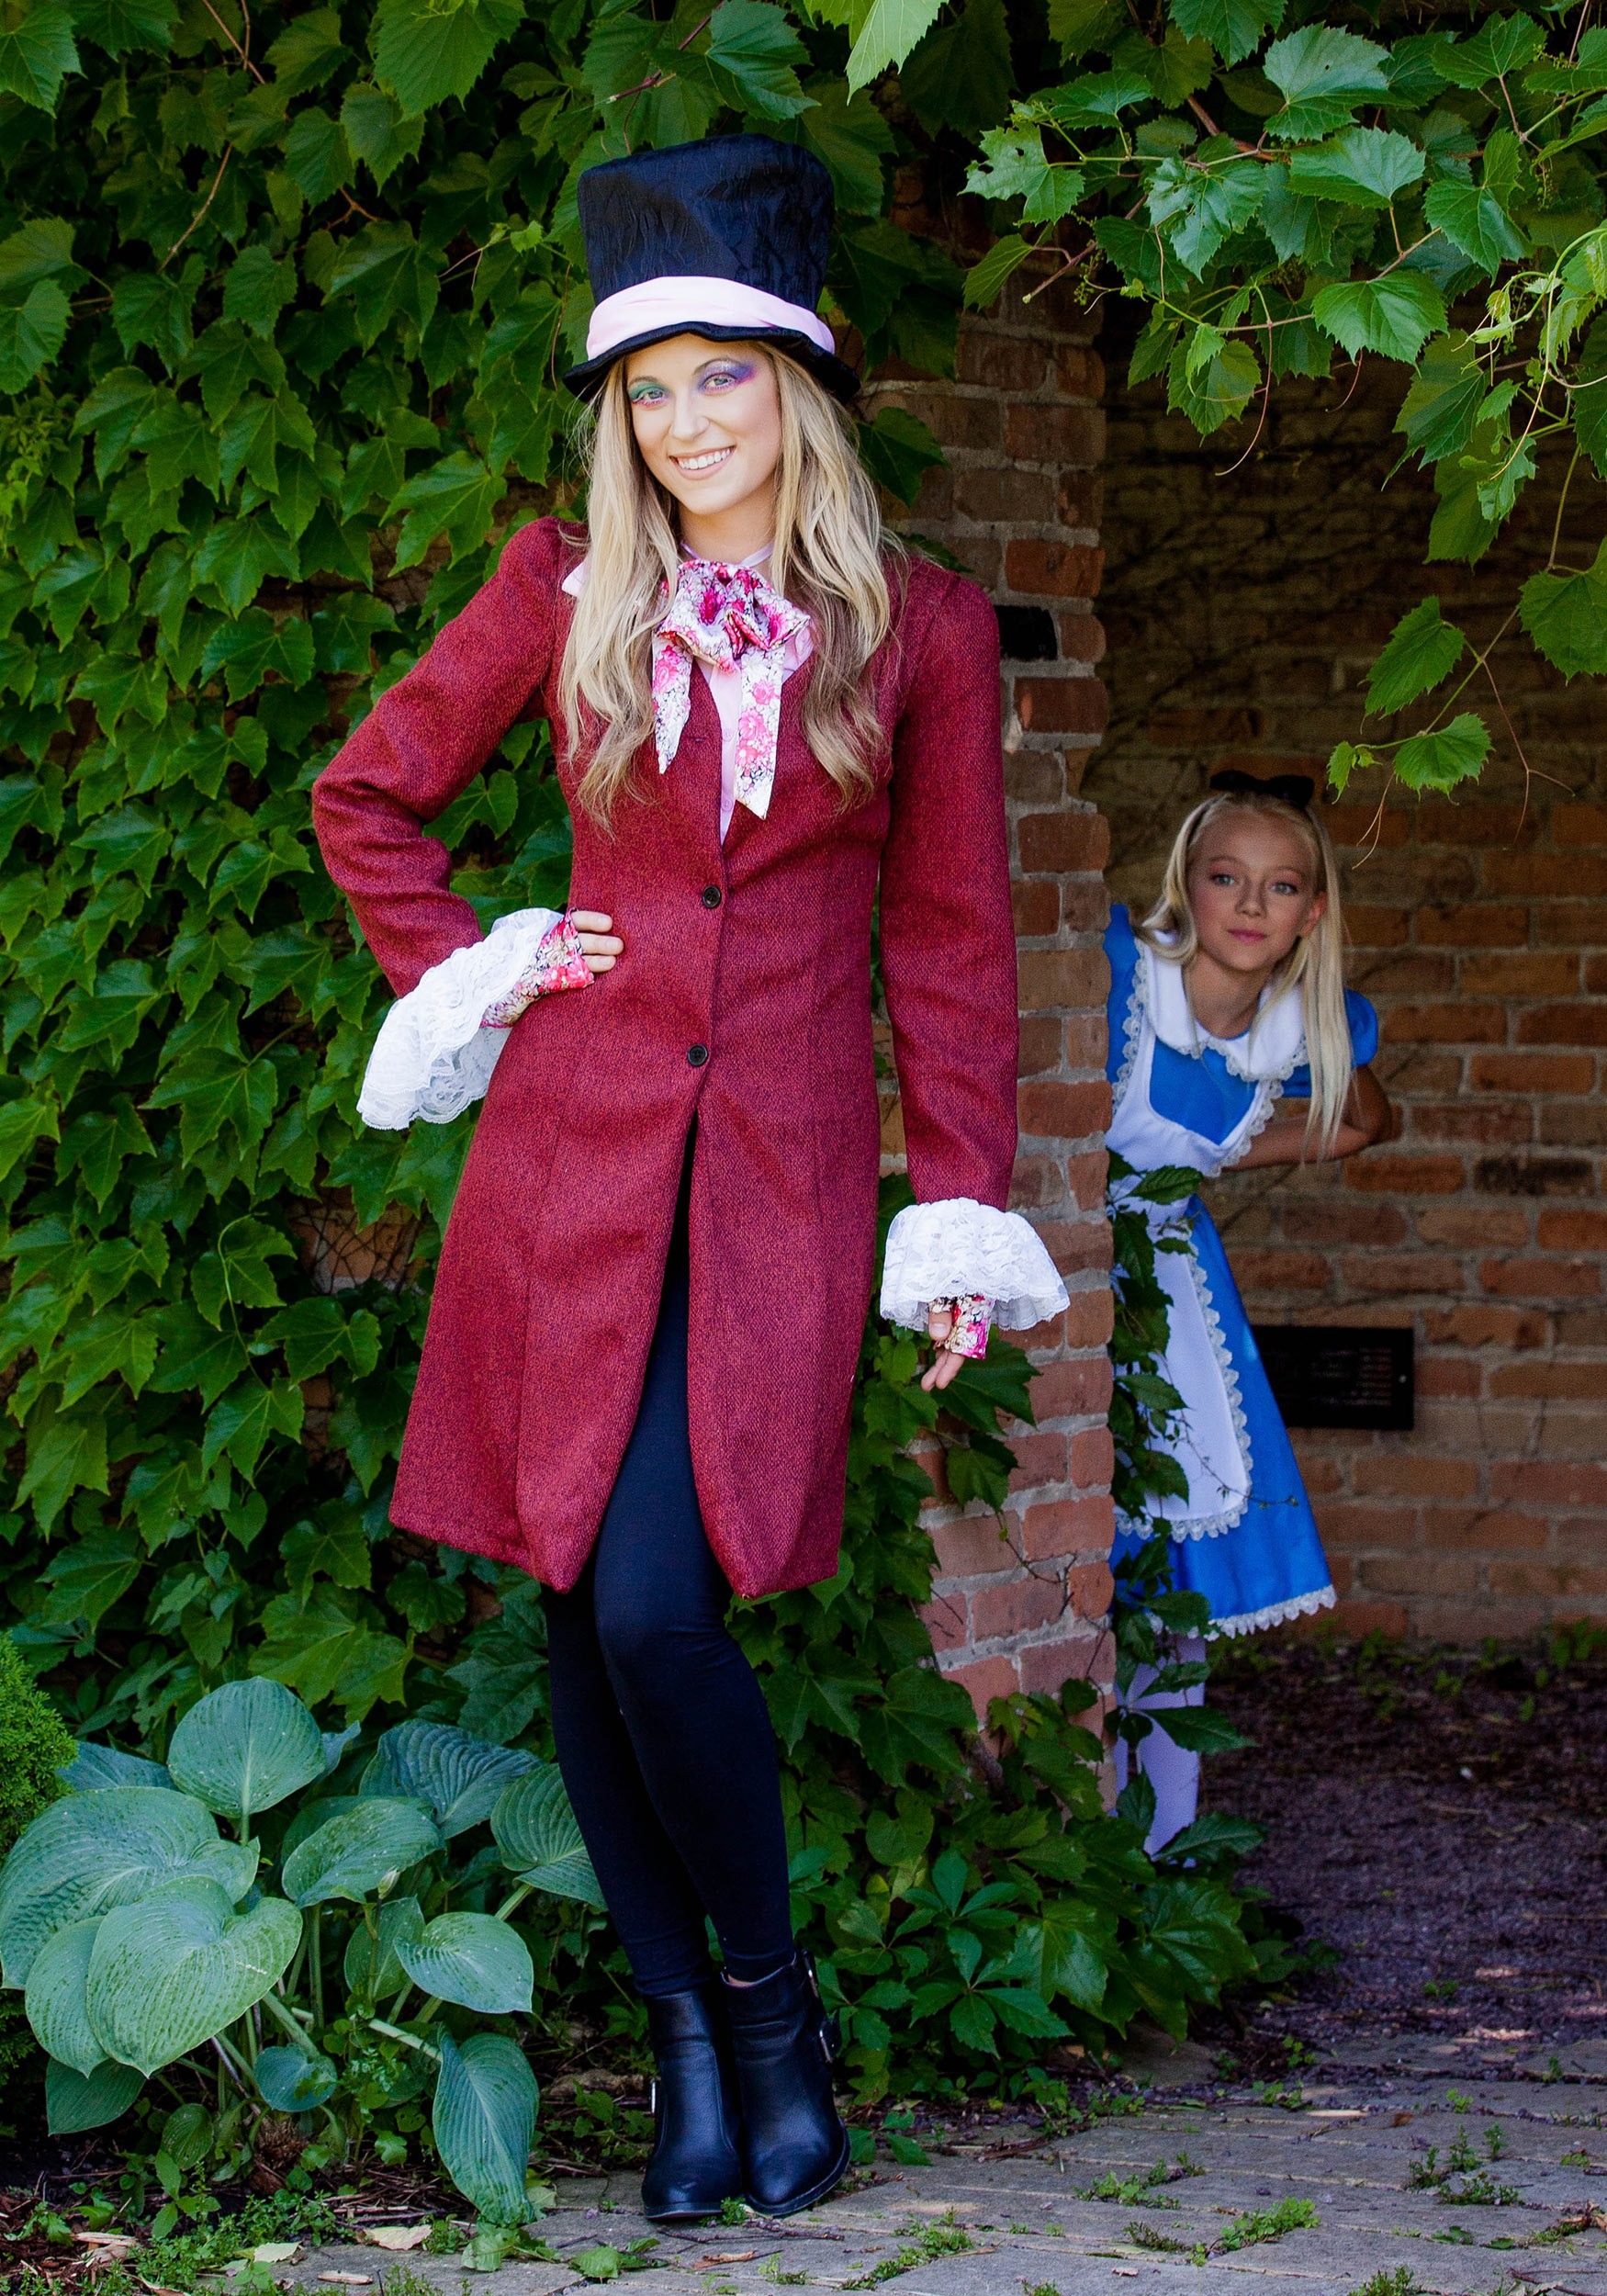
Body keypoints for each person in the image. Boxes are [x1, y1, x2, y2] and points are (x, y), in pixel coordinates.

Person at [311, 133, 1067, 2223]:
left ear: (798, 384)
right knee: (580, 1598)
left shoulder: (915, 631)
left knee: (657, 1597)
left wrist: (960, 1214)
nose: (683, 421)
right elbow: (369, 796)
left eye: (722, 376)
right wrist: (476, 967)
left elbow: (953, 946)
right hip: (567, 1166)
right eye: (649, 387)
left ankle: (769, 2012)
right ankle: (687, 2059)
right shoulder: (563, 592)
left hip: (781, 1189)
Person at [1105, 771, 1391, 1851]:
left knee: (1168, 1565)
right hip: (1064, 1271)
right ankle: (1075, 1828)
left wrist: (1211, 1159)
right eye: (1226, 877)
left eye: (1279, 886)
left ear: (1310, 912)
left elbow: (1363, 1120)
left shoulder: (1299, 1029)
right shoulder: (1118, 976)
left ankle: (1157, 1850)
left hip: (1171, 1293)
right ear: (1186, 881)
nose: (1249, 904)